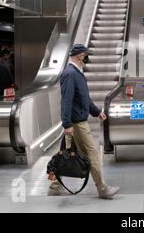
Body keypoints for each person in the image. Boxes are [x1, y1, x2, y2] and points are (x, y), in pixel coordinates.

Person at [50, 44, 120, 199]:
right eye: (86, 55)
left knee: (68, 154)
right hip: (77, 124)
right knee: (92, 153)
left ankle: (54, 185)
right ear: (80, 56)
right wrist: (67, 124)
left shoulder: (76, 73)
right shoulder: (70, 73)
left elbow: (84, 98)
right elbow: (66, 100)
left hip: (76, 121)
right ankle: (102, 188)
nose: (87, 58)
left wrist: (96, 112)